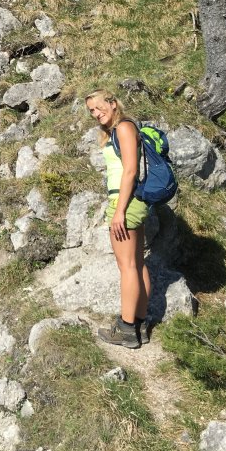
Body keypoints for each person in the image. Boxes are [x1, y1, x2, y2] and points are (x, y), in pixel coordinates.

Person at [85, 89, 151, 348]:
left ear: (113, 103)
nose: (95, 113)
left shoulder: (124, 127)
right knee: (137, 264)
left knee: (128, 267)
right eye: (91, 110)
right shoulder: (118, 129)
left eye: (99, 107)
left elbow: (130, 170)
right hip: (132, 201)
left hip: (125, 202)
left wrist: (119, 211)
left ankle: (126, 329)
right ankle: (140, 324)